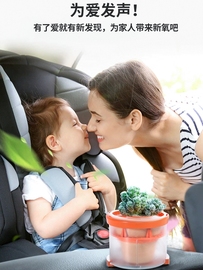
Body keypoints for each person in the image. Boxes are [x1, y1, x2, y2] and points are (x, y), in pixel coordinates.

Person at [87, 60, 203, 252]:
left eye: (98, 118)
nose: (90, 127)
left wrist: (183, 190)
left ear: (134, 119)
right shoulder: (142, 143)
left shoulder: (197, 139)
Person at [22, 97, 116, 253]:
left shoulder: (83, 172)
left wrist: (109, 190)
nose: (85, 126)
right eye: (75, 124)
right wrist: (80, 203)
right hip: (62, 257)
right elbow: (44, 227)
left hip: (91, 245)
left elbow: (108, 216)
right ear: (54, 143)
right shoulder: (37, 182)